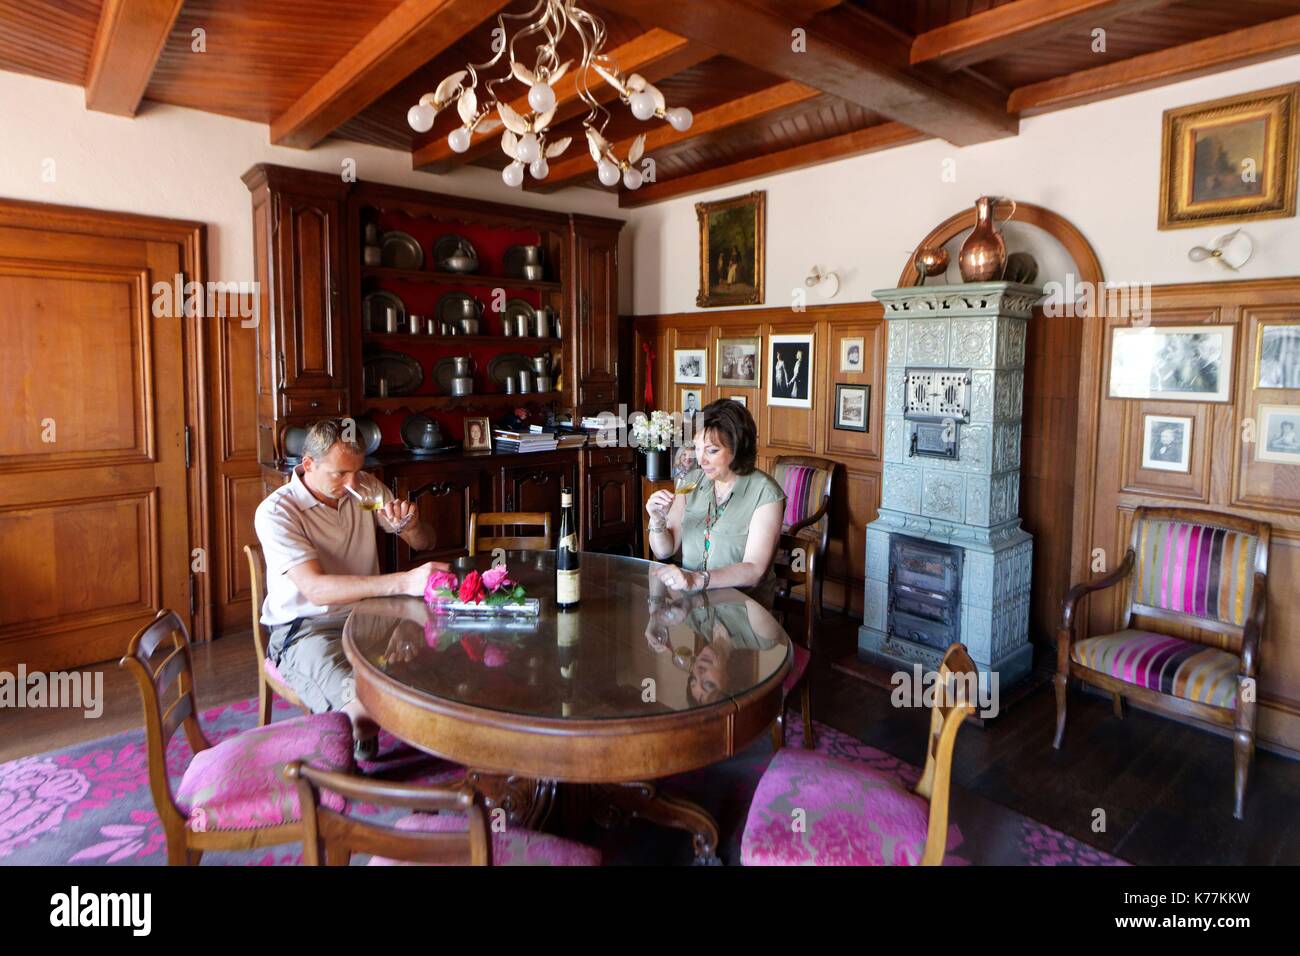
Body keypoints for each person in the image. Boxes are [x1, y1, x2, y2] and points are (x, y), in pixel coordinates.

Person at [254, 420, 444, 760]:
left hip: (369, 615)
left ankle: (432, 736)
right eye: (340, 473)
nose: (353, 483)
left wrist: (412, 527)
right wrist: (402, 582)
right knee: (364, 711)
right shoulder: (277, 511)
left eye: (358, 471)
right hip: (306, 628)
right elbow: (315, 589)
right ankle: (357, 747)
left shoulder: (364, 489)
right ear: (308, 465)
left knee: (443, 657)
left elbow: (426, 542)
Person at [645, 399, 785, 607]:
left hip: (744, 612)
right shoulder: (691, 481)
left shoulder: (765, 493)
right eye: (698, 448)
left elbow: (755, 570)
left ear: (737, 449)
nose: (701, 460)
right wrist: (657, 520)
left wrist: (696, 579)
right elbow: (665, 550)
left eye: (711, 451)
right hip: (694, 607)